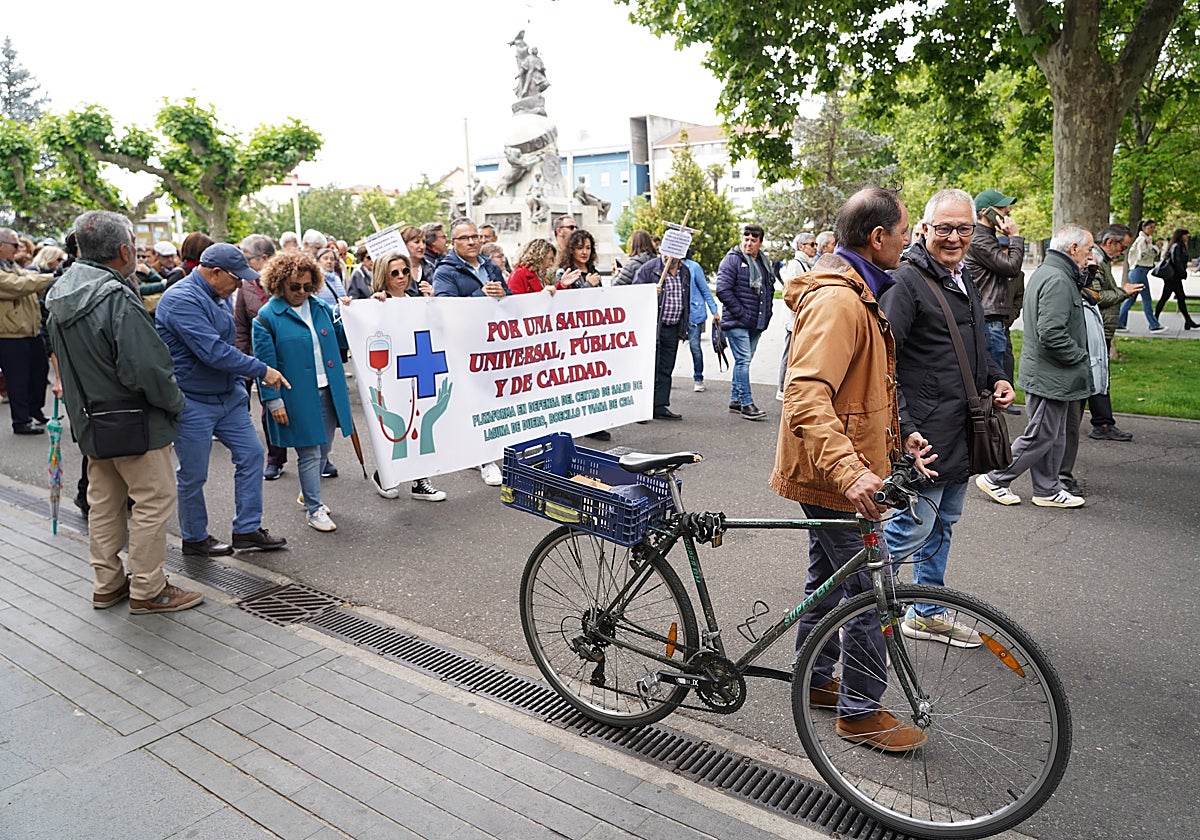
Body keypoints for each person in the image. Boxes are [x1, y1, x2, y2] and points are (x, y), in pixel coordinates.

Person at [770, 186, 930, 752]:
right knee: (869, 590)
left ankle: (813, 679)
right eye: (906, 231)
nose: (910, 240)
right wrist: (852, 473)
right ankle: (859, 711)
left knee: (830, 581)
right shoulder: (839, 301)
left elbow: (856, 392)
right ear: (878, 238)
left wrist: (896, 437)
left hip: (836, 469)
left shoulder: (856, 290)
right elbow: (806, 395)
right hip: (835, 477)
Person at [45, 210, 202, 614]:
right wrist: (175, 404)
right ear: (123, 250)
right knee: (153, 501)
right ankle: (149, 588)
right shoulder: (115, 297)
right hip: (135, 420)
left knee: (105, 503)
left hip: (92, 420)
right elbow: (147, 368)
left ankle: (107, 583)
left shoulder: (61, 292)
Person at [879, 189, 1013, 646]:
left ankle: (926, 610)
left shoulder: (961, 275)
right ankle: (863, 611)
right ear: (924, 229)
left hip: (961, 428)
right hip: (927, 433)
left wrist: (996, 377)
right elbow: (884, 365)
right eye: (944, 228)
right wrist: (906, 428)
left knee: (943, 521)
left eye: (964, 228)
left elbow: (971, 345)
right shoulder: (906, 282)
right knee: (911, 526)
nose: (954, 237)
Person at [155, 243, 290, 557]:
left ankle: (247, 529)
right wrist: (261, 369)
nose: (240, 284)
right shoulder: (180, 299)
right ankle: (194, 537)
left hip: (226, 395)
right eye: (236, 277)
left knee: (252, 455)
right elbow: (212, 351)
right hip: (193, 400)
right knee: (193, 473)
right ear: (214, 273)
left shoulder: (216, 294)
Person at [976, 224, 1097, 509]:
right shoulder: (1057, 278)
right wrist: (1079, 356)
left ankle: (1047, 489)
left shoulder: (1055, 272)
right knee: (1041, 435)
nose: (1092, 255)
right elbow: (1052, 332)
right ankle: (996, 478)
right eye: (1089, 249)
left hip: (1051, 373)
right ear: (1074, 249)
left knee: (1050, 435)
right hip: (1051, 374)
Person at [252, 253, 354, 532]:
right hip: (296, 395)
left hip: (329, 389)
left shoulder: (320, 307)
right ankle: (314, 507)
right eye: (294, 286)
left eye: (307, 286)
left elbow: (343, 340)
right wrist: (273, 401)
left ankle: (308, 493)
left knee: (324, 449)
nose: (301, 292)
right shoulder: (266, 317)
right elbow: (265, 365)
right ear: (279, 283)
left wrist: (348, 314)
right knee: (308, 453)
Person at [360, 251, 446, 503]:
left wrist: (431, 302)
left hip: (420, 371)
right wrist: (374, 306)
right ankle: (384, 473)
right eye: (394, 273)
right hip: (392, 374)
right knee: (396, 425)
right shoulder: (377, 303)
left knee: (422, 423)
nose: (401, 277)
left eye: (405, 271)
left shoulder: (416, 300)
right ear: (382, 276)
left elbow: (438, 330)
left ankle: (421, 480)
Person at [432, 219, 509, 485]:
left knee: (492, 399)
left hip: (493, 344)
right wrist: (480, 295)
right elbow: (444, 307)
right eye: (464, 238)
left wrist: (503, 292)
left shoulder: (489, 265)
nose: (472, 242)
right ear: (453, 243)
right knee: (474, 402)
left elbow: (506, 296)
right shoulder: (445, 271)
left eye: (475, 236)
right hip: (465, 346)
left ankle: (489, 450)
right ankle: (485, 458)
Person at [233, 234, 290, 482]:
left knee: (306, 406)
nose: (243, 265)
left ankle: (319, 457)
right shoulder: (245, 286)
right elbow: (241, 326)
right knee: (270, 410)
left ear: (264, 259)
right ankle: (275, 458)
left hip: (293, 356)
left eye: (247, 259)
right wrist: (243, 361)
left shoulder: (290, 281)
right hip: (263, 360)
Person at [964, 188, 1025, 394]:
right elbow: (1012, 267)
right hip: (989, 320)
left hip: (993, 319)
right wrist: (1015, 237)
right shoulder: (980, 240)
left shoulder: (987, 237)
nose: (1007, 211)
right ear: (985, 212)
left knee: (998, 377)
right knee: (993, 386)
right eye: (1001, 208)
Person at [716, 224, 775, 420]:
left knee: (743, 362)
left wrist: (768, 314)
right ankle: (747, 404)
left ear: (760, 242)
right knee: (743, 361)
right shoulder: (732, 260)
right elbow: (723, 290)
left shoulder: (764, 263)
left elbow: (769, 289)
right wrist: (742, 314)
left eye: (753, 240)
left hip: (756, 323)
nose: (749, 243)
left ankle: (735, 400)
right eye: (746, 238)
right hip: (737, 322)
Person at [0, 226, 52, 434]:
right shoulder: (7, 272)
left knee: (39, 372)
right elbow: (19, 285)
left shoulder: (11, 265)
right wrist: (51, 278)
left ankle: (34, 410)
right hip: (10, 335)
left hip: (31, 331)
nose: (18, 249)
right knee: (18, 380)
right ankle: (21, 421)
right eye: (14, 244)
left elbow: (29, 282)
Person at [632, 253, 690, 420]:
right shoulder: (649, 269)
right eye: (666, 252)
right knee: (649, 367)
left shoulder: (684, 271)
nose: (669, 256)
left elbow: (686, 297)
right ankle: (642, 409)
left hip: (673, 326)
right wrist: (650, 292)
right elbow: (635, 294)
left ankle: (659, 405)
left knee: (666, 367)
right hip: (653, 327)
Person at [1117, 219, 1165, 331]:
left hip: (1139, 271)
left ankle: (1120, 323)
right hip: (1139, 271)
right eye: (1150, 227)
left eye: (1153, 227)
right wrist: (1156, 248)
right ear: (1144, 228)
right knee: (1146, 298)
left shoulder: (1146, 239)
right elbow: (1143, 254)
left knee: (1131, 299)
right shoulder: (1142, 240)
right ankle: (1154, 325)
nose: (1153, 230)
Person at [683, 249, 719, 393]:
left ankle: (698, 378)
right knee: (669, 348)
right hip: (675, 314)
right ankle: (665, 378)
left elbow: (705, 290)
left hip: (694, 313)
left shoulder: (694, 267)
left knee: (695, 347)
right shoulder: (667, 267)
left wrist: (714, 311)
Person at [1153, 228, 1196, 330]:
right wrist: (1182, 272)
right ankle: (1154, 320)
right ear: (1181, 236)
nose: (1187, 237)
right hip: (1173, 277)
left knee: (1176, 297)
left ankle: (1188, 320)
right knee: (1175, 297)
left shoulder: (1179, 246)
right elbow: (1176, 261)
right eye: (1186, 235)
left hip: (1174, 277)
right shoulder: (1176, 246)